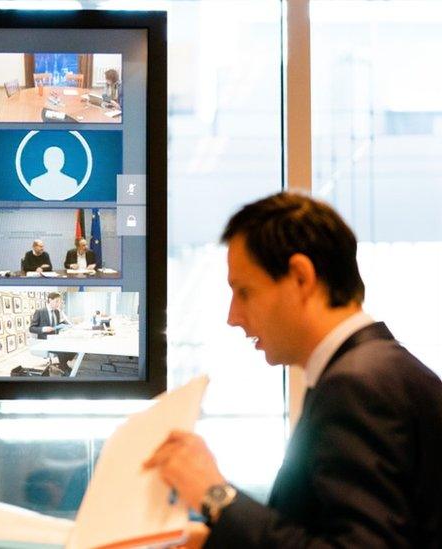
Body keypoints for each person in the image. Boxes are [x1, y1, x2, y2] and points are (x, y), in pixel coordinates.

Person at [144, 192, 442, 548]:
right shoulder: (385, 369)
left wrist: (216, 497)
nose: (233, 316)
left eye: (245, 291)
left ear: (301, 277)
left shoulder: (357, 386)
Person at [29, 292, 75, 375]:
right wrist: (43, 329)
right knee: (62, 349)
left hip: (55, 339)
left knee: (72, 347)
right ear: (50, 300)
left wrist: (64, 325)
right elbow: (31, 328)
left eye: (60, 302)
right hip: (45, 340)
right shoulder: (40, 311)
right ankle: (63, 367)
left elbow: (56, 325)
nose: (59, 304)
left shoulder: (57, 312)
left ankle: (63, 364)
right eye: (57, 301)